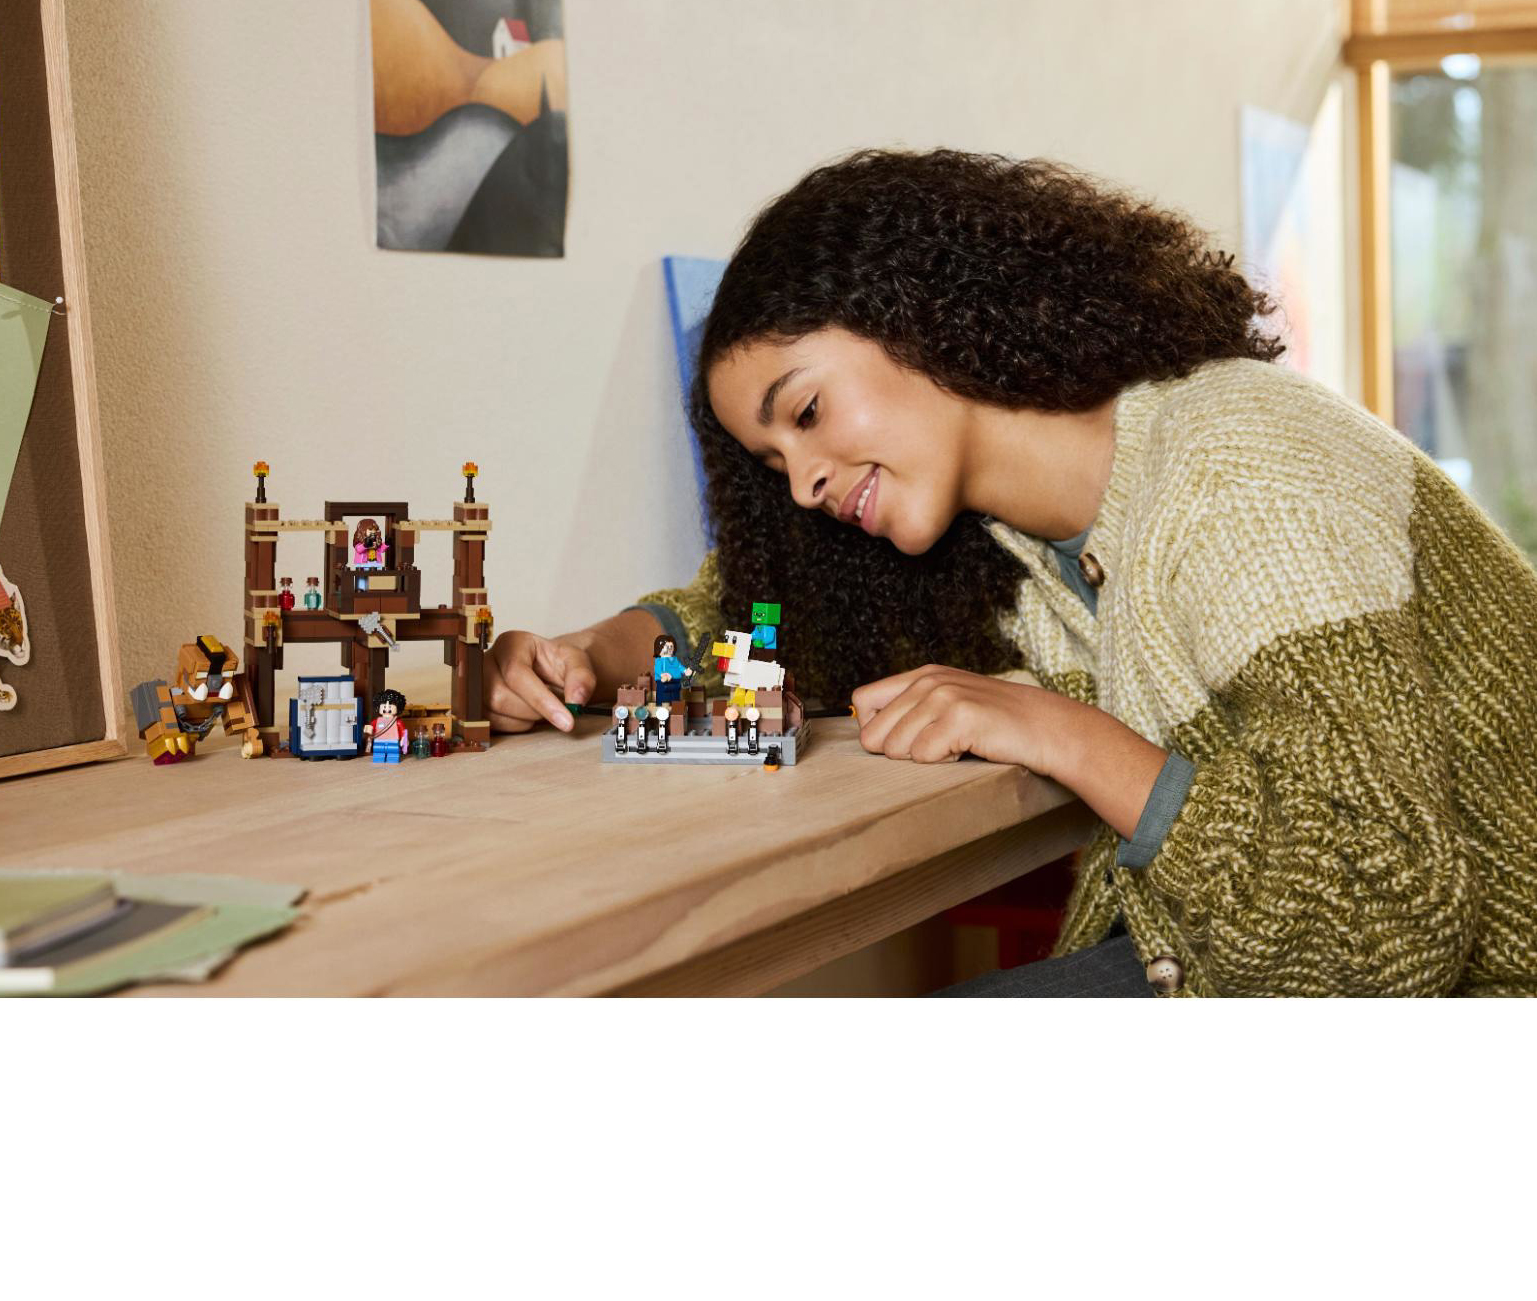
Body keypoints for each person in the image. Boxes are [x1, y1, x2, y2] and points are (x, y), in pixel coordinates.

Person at [483, 148, 1537, 997]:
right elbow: (739, 610)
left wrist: (1063, 733)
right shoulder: (1008, 549)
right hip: (1240, 963)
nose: (801, 484)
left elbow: (1388, 926)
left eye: (805, 412)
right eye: (773, 464)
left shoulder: (1240, 464)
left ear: (918, 313)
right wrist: (583, 657)